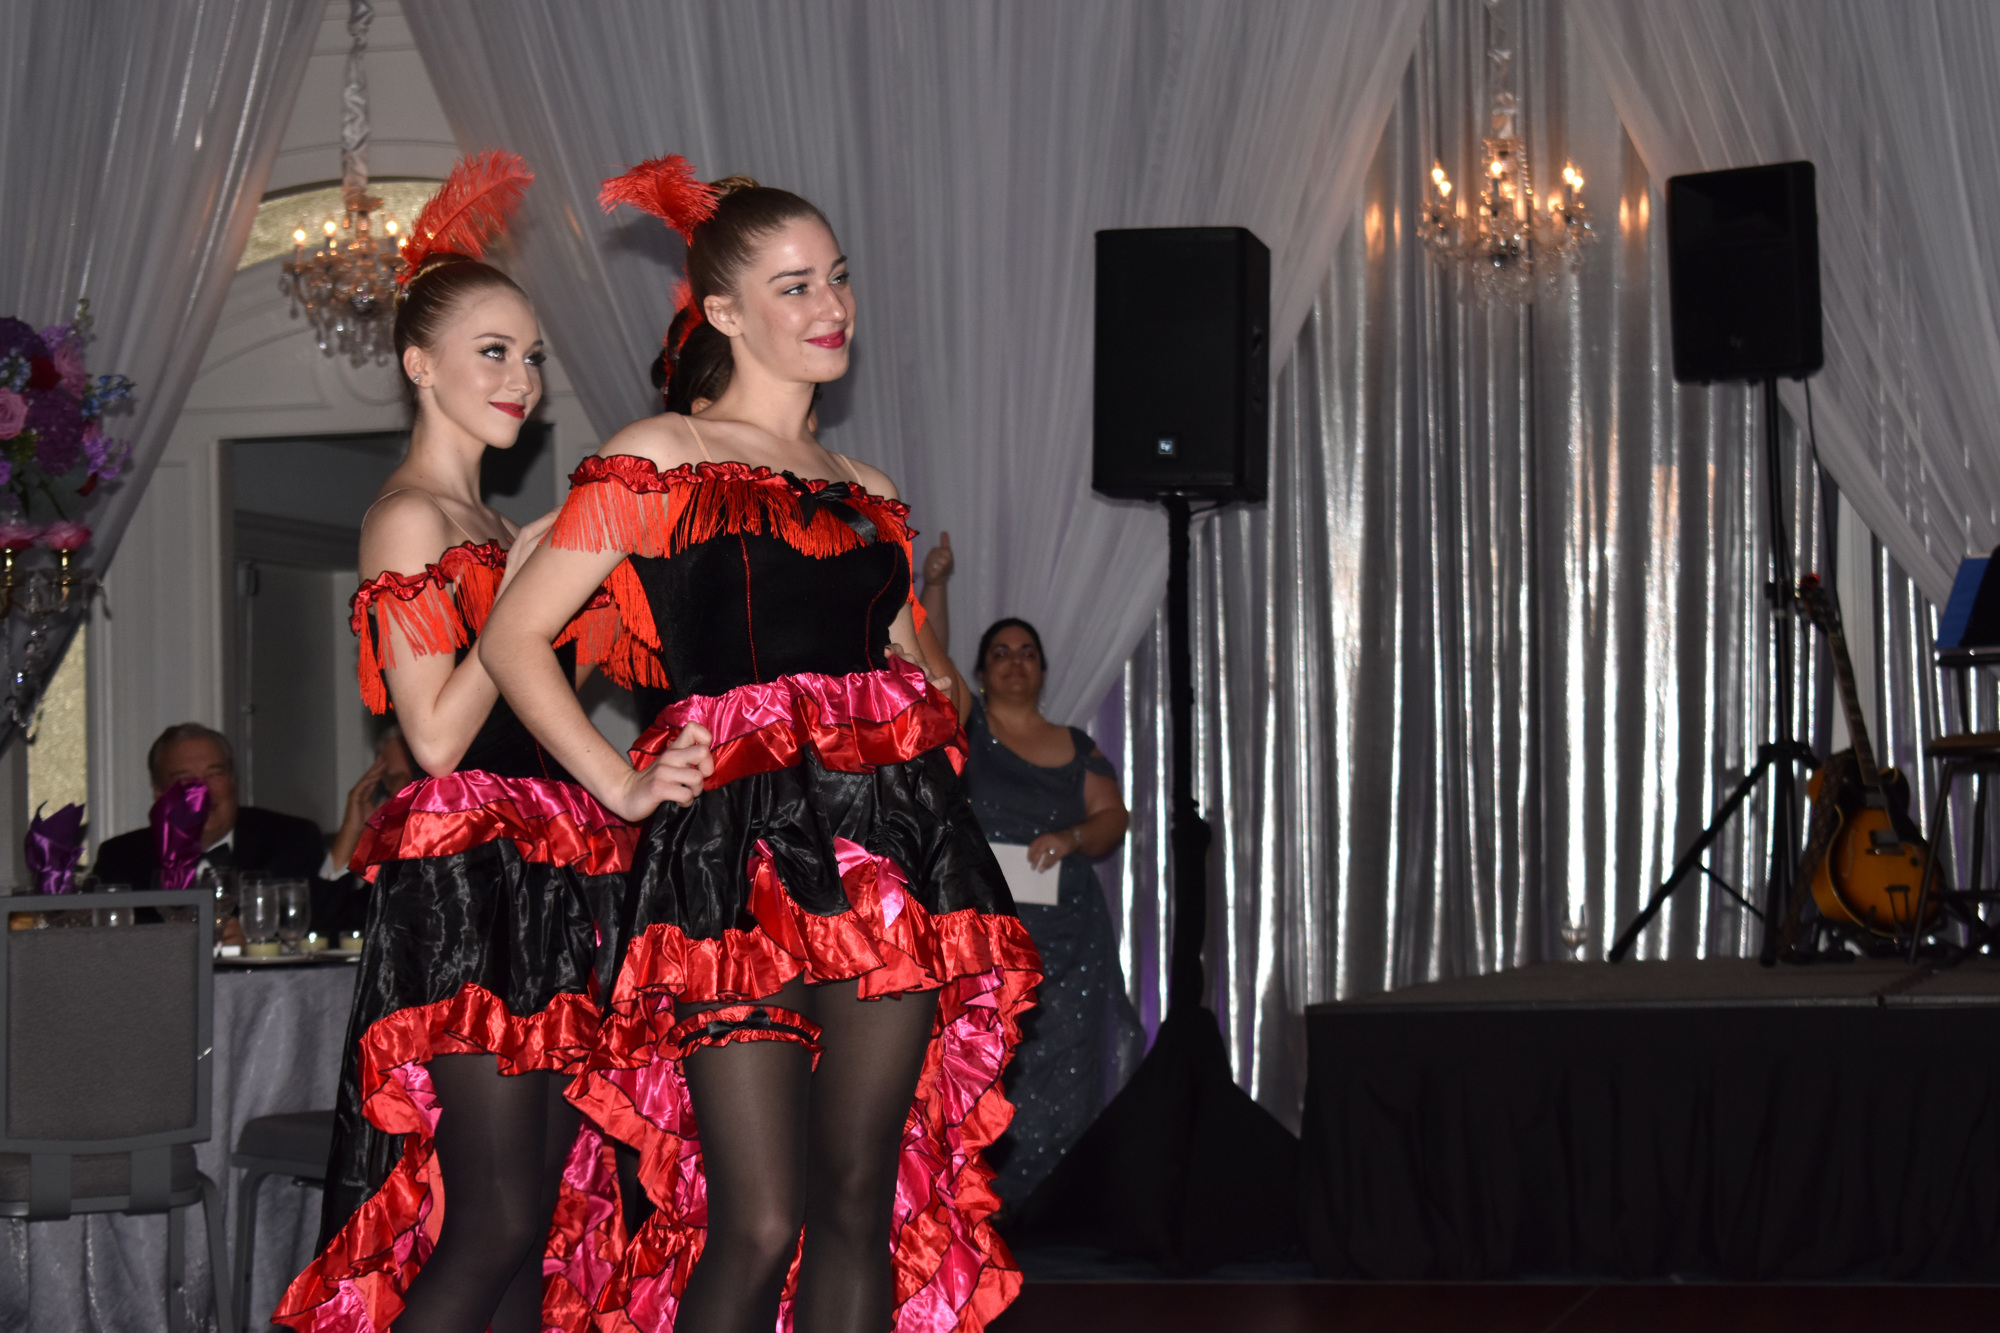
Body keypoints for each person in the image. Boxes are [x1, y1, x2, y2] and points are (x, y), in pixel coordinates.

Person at [481, 157, 1039, 1333]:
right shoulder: (662, 453)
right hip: (731, 861)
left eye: (835, 277)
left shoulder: (864, 486)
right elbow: (513, 637)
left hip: (882, 855)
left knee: (857, 1199)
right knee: (757, 1214)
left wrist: (932, 686)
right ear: (722, 312)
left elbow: (908, 660)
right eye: (792, 286)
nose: (829, 305)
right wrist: (622, 782)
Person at [275, 152, 710, 1333]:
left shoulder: (492, 522)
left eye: (530, 355)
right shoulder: (408, 516)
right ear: (419, 365)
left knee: (553, 1218)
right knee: (497, 1219)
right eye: (492, 351)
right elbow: (431, 735)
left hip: (552, 880)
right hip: (467, 889)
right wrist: (518, 593)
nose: (522, 376)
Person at [958, 616, 1141, 1209]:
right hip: (988, 934)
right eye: (1002, 652)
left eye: (1028, 652)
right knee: (988, 1060)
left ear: (1042, 668)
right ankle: (982, 1207)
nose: (1016, 662)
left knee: (1068, 1066)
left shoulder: (1075, 744)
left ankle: (1054, 1209)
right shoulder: (962, 732)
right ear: (982, 671)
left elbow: (1114, 818)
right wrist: (930, 585)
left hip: (1069, 939)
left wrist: (1073, 836)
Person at [92, 722, 325, 889]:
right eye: (185, 780)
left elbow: (328, 926)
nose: (202, 791)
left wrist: (256, 943)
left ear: (233, 779)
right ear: (159, 792)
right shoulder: (121, 859)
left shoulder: (291, 840)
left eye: (215, 774)